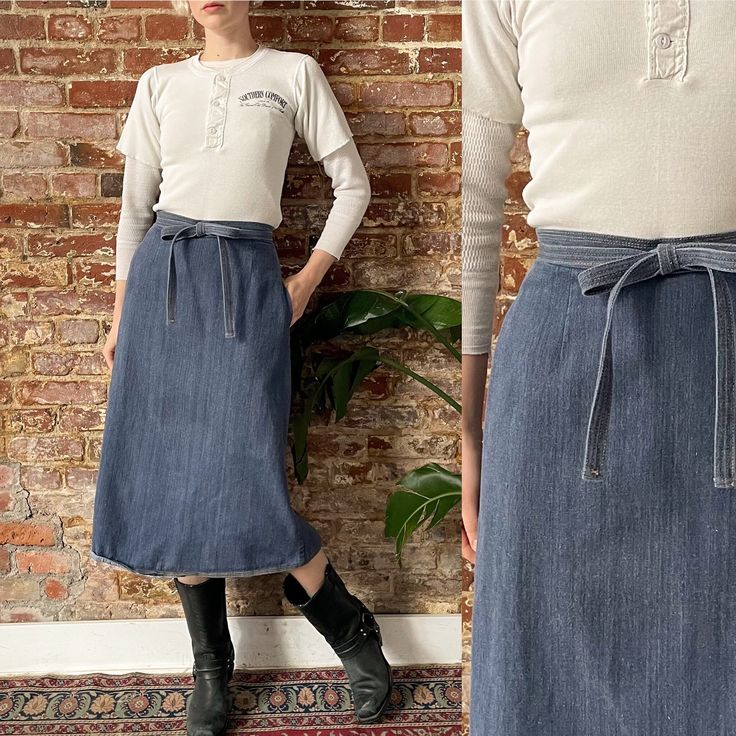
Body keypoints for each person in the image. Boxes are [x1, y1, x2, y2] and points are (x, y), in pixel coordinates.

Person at [90, 1, 392, 733]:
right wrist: (119, 317)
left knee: (246, 471)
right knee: (174, 481)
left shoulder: (292, 73)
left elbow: (354, 185)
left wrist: (305, 281)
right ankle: (211, 671)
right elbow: (135, 211)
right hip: (163, 282)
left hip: (247, 282)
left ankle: (352, 631)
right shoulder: (159, 83)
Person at [462, 1, 736, 734]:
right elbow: (477, 202)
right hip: (564, 350)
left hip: (727, 350)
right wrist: (468, 430)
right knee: (539, 665)